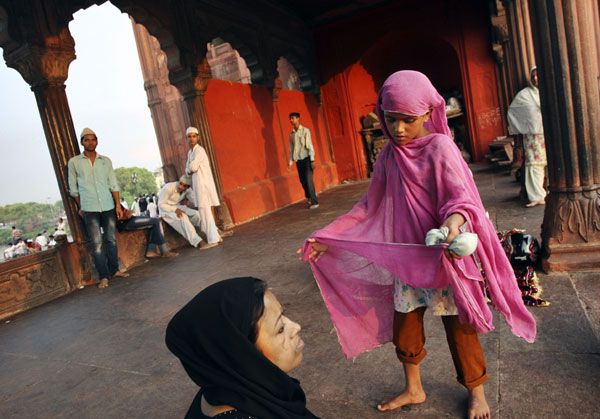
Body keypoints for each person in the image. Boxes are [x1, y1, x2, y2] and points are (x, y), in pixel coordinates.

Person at [300, 71, 536, 419]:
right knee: (405, 328)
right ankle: (414, 388)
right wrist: (325, 236)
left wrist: (454, 222)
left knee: (461, 329)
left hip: (446, 256)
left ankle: (477, 391)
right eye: (391, 120)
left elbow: (460, 198)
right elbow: (367, 207)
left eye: (408, 121)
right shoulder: (388, 157)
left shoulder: (441, 147)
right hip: (409, 260)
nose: (398, 129)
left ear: (428, 113)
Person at [165, 277, 317, 419]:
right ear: (243, 354)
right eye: (280, 329)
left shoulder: (226, 388)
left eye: (283, 315)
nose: (296, 327)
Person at [68, 127, 129, 289]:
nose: (90, 142)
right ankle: (104, 276)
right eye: (86, 140)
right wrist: (81, 206)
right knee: (96, 244)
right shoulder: (74, 163)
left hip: (108, 205)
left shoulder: (105, 161)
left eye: (93, 139)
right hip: (89, 208)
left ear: (97, 141)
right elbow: (73, 188)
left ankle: (115, 270)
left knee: (111, 240)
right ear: (82, 142)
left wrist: (118, 205)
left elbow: (113, 183)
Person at [507, 67, 547, 208]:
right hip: (533, 137)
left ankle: (547, 191)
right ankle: (536, 196)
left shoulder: (548, 92)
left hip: (548, 135)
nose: (535, 79)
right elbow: (513, 111)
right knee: (534, 166)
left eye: (538, 75)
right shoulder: (525, 95)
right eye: (533, 76)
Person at [185, 127, 222, 248]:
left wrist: (190, 169)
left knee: (205, 212)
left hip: (203, 185)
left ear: (198, 137)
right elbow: (187, 171)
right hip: (197, 186)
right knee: (204, 211)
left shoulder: (199, 150)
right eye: (189, 136)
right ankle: (216, 236)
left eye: (194, 136)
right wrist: (190, 169)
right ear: (187, 138)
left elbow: (193, 168)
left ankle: (212, 240)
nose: (192, 138)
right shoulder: (190, 153)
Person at [158, 175, 216, 250]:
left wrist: (206, 204)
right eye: (180, 183)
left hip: (177, 207)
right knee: (183, 218)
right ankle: (199, 242)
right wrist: (175, 210)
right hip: (166, 210)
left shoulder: (187, 190)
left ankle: (214, 233)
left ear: (187, 187)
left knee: (198, 214)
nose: (181, 187)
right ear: (179, 181)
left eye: (184, 186)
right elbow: (161, 204)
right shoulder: (168, 188)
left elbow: (195, 200)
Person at [288, 112, 319, 209]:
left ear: (298, 118)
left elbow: (309, 145)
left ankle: (315, 202)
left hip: (307, 159)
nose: (291, 120)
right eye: (290, 118)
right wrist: (290, 162)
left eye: (292, 118)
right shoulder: (291, 134)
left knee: (309, 180)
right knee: (303, 180)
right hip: (298, 160)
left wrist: (312, 160)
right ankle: (309, 196)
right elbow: (291, 148)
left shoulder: (305, 131)